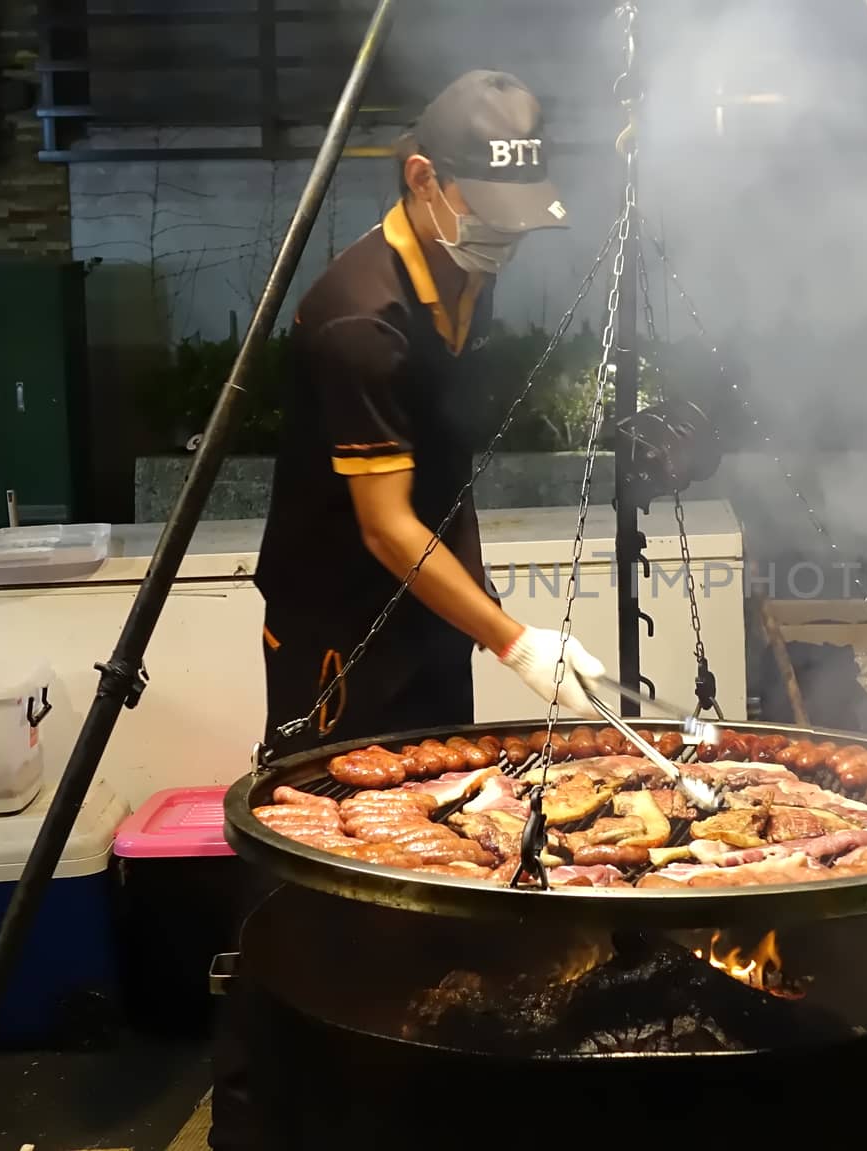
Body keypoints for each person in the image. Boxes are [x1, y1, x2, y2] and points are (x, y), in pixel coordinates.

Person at [210, 71, 604, 1150]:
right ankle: (268, 1113)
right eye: (490, 215)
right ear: (422, 179)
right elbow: (384, 525)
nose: (506, 243)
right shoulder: (359, 322)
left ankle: (413, 1091)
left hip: (425, 612)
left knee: (447, 839)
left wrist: (475, 619)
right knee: (327, 869)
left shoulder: (457, 269)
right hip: (340, 625)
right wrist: (515, 636)